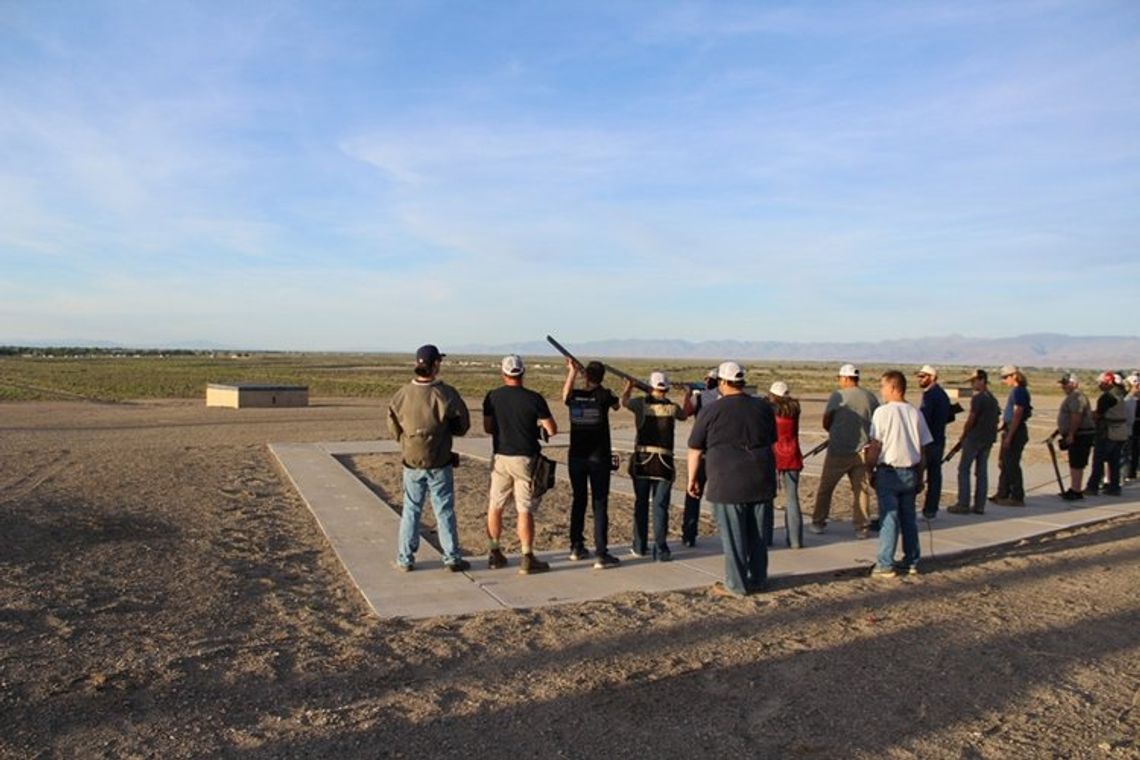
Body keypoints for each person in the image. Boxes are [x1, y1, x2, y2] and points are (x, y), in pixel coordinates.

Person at [686, 362, 777, 597]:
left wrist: (692, 478)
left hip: (728, 481)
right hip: (760, 476)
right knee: (757, 535)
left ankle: (736, 584)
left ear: (723, 383)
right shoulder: (763, 407)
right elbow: (771, 439)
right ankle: (758, 579)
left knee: (734, 536)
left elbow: (695, 448)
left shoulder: (711, 410)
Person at [387, 344, 472, 572]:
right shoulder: (445, 393)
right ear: (436, 365)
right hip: (439, 461)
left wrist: (408, 441)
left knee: (411, 509)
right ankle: (452, 557)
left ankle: (405, 558)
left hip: (411, 461)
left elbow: (393, 427)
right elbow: (462, 425)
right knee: (443, 509)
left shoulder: (401, 394)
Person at [482, 354, 558, 574]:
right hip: (525, 458)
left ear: (503, 374)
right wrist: (534, 429)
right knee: (524, 509)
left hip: (500, 457)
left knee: (495, 505)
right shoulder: (534, 398)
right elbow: (551, 429)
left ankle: (494, 552)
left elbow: (488, 427)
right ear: (523, 373)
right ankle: (527, 555)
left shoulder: (492, 397)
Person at [864, 370, 933, 578]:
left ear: (893, 387)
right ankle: (911, 560)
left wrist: (869, 467)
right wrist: (921, 475)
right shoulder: (915, 413)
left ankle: (885, 563)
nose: (882, 391)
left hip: (890, 471)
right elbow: (922, 449)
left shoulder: (883, 413)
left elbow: (876, 445)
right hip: (910, 471)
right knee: (908, 518)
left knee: (890, 517)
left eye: (883, 387)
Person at [621, 371, 692, 561]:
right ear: (667, 388)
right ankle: (661, 549)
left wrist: (628, 386)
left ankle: (639, 546)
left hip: (642, 461)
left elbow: (624, 402)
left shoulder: (640, 404)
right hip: (664, 464)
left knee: (641, 504)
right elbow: (685, 415)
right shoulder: (673, 408)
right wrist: (688, 395)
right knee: (660, 507)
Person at [561, 358, 622, 569]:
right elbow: (617, 405)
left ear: (585, 376)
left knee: (579, 500)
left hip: (576, 457)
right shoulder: (604, 395)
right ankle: (601, 553)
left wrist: (572, 372)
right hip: (599, 458)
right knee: (599, 504)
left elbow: (565, 396)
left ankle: (576, 546)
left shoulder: (576, 395)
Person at [810, 364, 879, 537]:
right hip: (862, 451)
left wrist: (835, 430)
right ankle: (862, 526)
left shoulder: (838, 396)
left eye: (840, 378)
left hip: (838, 450)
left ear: (846, 378)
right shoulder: (870, 397)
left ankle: (818, 521)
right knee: (861, 491)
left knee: (826, 488)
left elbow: (827, 420)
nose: (840, 381)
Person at [948, 370, 1001, 514]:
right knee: (981, 472)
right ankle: (979, 505)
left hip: (975, 438)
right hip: (988, 439)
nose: (973, 384)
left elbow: (972, 418)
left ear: (982, 380)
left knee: (964, 469)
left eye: (974, 381)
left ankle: (963, 503)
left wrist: (964, 434)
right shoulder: (992, 399)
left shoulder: (978, 399)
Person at [680, 369, 720, 547]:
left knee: (693, 494)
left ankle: (689, 536)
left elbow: (686, 412)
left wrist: (687, 394)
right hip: (721, 455)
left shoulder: (701, 398)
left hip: (703, 454)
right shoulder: (728, 399)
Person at [768, 381, 804, 548]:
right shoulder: (794, 410)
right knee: (792, 499)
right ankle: (795, 540)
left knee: (767, 498)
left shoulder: (770, 410)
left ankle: (766, 536)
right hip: (792, 454)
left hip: (774, 454)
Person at [992, 365, 1032, 507]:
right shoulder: (1016, 391)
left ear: (1014, 376)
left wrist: (1009, 435)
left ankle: (1017, 496)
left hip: (1015, 431)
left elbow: (1018, 413)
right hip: (1010, 428)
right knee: (1004, 462)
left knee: (1012, 464)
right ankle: (1002, 493)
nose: (1004, 381)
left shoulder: (1019, 391)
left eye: (1006, 377)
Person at [916, 365, 952, 519]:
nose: (920, 379)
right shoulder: (942, 394)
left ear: (932, 377)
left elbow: (924, 418)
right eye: (919, 376)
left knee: (917, 475)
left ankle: (912, 509)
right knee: (935, 476)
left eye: (923, 376)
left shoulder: (931, 395)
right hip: (939, 439)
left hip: (929, 441)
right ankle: (931, 509)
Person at [1087, 371, 1128, 496]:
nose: (1100, 385)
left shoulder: (1107, 397)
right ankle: (1114, 487)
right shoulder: (1122, 394)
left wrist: (1092, 415)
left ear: (1108, 382)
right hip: (1120, 432)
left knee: (1099, 460)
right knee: (1114, 462)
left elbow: (1098, 415)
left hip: (1107, 433)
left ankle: (1092, 487)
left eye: (1102, 383)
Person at [1056, 373, 1095, 501]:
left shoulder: (1076, 397)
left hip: (1081, 434)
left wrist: (1071, 433)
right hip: (1078, 433)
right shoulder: (1073, 397)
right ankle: (1074, 488)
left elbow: (1076, 416)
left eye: (1065, 384)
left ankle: (1076, 490)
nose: (1063, 387)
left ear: (1074, 384)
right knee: (1074, 462)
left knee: (1077, 463)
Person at [1124, 373, 1139, 482]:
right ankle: (1130, 473)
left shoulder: (1129, 400)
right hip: (1132, 429)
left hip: (1134, 428)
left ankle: (1131, 472)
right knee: (1132, 452)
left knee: (1133, 452)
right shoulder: (1128, 399)